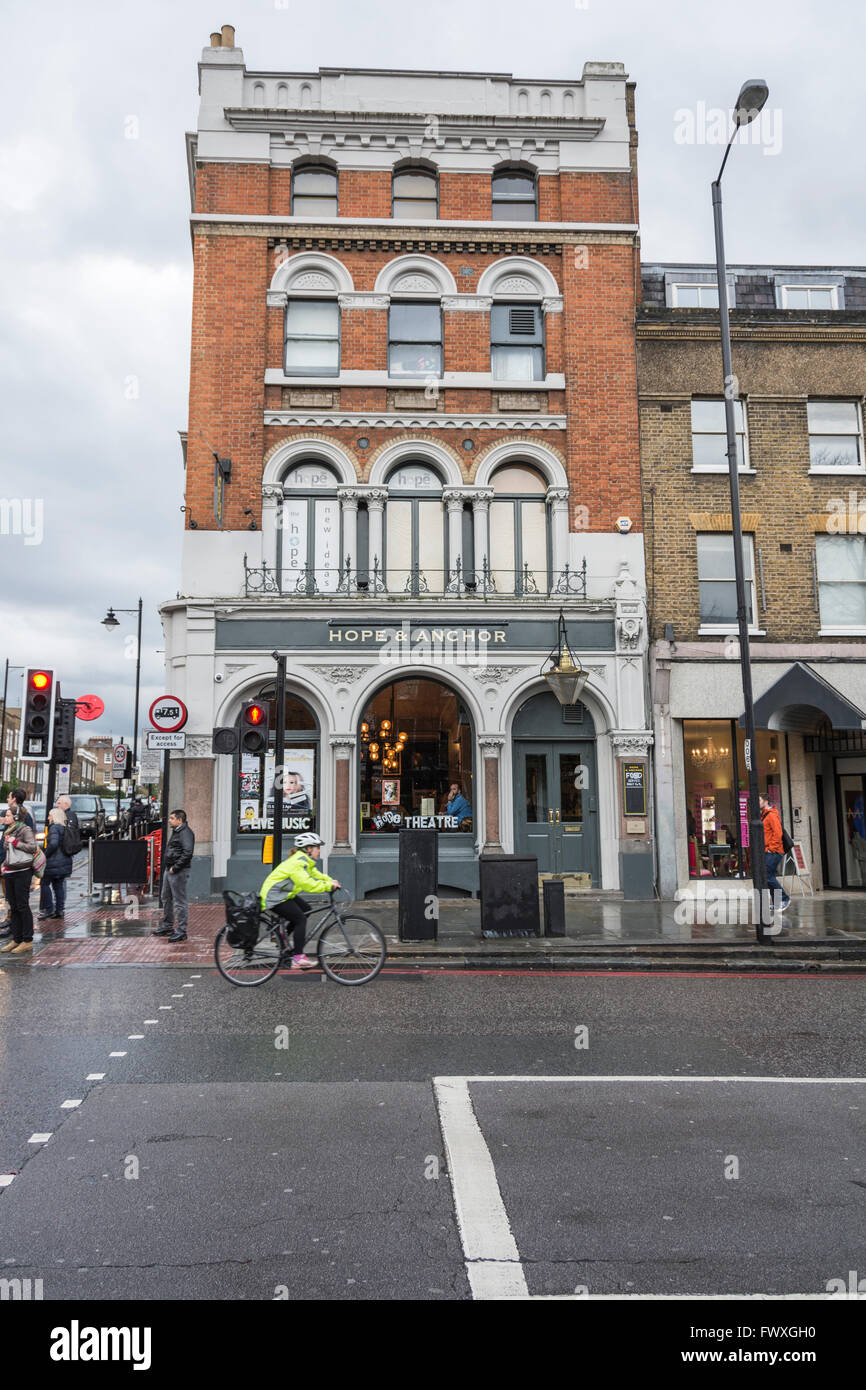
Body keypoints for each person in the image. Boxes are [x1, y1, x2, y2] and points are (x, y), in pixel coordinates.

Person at [259, 831, 339, 969]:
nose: (319, 851)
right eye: (317, 847)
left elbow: (315, 873)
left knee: (306, 909)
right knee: (300, 919)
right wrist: (328, 886)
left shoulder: (303, 860)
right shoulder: (297, 863)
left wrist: (330, 880)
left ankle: (280, 935)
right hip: (274, 897)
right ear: (309, 849)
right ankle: (298, 958)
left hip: (283, 894)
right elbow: (307, 884)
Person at [1, 803, 38, 955]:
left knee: (22, 906)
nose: (5, 817)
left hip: (22, 872)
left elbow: (32, 847)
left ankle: (27, 940)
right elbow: (7, 851)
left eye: (8, 815)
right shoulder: (8, 831)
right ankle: (16, 939)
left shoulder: (25, 829)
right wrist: (4, 864)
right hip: (10, 871)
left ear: (16, 817)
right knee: (13, 906)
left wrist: (15, 842)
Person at [153, 809, 195, 942]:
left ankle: (182, 931)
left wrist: (175, 868)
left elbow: (188, 853)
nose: (169, 820)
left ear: (179, 820)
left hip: (178, 871)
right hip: (169, 869)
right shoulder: (177, 831)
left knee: (180, 902)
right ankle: (167, 926)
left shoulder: (186, 833)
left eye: (172, 818)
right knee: (165, 897)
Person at [39, 808, 72, 920]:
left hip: (53, 862)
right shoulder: (64, 828)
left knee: (44, 883)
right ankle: (59, 910)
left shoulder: (54, 828)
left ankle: (49, 909)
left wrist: (45, 855)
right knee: (58, 886)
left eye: (49, 815)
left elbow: (53, 844)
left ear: (54, 816)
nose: (48, 818)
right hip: (64, 862)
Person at [759, 793, 790, 913]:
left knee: (767, 876)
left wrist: (771, 848)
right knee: (768, 876)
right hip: (769, 850)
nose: (757, 803)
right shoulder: (764, 815)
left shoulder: (771, 815)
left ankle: (785, 898)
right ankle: (777, 903)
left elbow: (778, 833)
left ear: (765, 801)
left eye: (759, 800)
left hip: (774, 851)